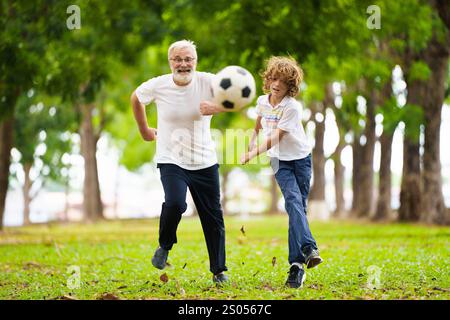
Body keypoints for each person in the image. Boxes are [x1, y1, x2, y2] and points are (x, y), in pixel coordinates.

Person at [130, 40, 228, 284]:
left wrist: (216, 107)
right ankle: (165, 245)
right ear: (170, 61)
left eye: (189, 59)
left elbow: (237, 99)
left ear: (195, 61)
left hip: (205, 160)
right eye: (178, 59)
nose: (183, 64)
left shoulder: (208, 81)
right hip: (171, 158)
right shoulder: (159, 85)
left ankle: (219, 270)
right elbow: (136, 98)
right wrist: (144, 131)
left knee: (212, 216)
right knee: (175, 203)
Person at [240, 56, 323, 288]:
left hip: (300, 160)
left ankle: (296, 267)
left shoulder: (292, 108)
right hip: (279, 161)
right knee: (294, 201)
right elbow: (259, 122)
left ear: (290, 86)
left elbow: (277, 136)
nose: (277, 84)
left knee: (296, 207)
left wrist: (252, 153)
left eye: (283, 81)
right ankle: (308, 249)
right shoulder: (262, 102)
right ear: (268, 79)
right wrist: (252, 141)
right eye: (274, 78)